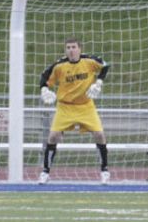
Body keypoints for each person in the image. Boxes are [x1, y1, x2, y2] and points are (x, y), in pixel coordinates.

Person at [38, 38, 110, 185]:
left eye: (73, 47)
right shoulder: (59, 66)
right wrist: (44, 89)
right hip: (65, 107)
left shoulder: (89, 61)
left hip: (86, 106)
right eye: (68, 47)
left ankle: (105, 171)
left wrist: (99, 82)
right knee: (53, 136)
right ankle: (45, 172)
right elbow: (44, 77)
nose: (71, 50)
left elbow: (105, 66)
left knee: (100, 134)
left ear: (79, 49)